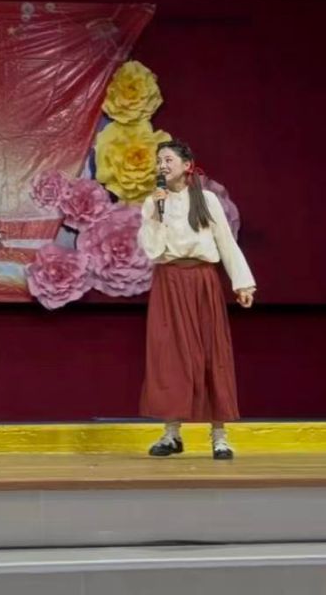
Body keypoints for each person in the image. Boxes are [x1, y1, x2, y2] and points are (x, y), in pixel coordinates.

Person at [138, 140, 255, 460]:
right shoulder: (152, 202)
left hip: (202, 281)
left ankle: (219, 437)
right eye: (159, 160)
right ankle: (171, 434)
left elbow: (226, 242)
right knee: (170, 355)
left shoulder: (207, 200)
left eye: (168, 159)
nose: (162, 165)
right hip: (169, 282)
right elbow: (153, 250)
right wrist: (156, 214)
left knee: (210, 353)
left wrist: (242, 283)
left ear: (187, 165)